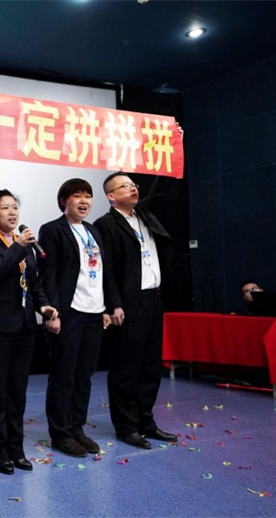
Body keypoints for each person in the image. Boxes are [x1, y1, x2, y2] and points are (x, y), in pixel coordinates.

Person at [0, 190, 57, 475]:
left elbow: (33, 283)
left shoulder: (25, 245)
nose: (12, 212)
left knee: (17, 393)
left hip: (23, 327)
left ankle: (16, 450)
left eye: (15, 207)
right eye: (5, 208)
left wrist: (43, 306)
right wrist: (18, 247)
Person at [37, 179, 123, 458]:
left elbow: (105, 273)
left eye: (88, 196)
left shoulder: (93, 231)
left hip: (94, 313)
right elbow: (48, 274)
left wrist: (110, 306)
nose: (84, 201)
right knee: (64, 375)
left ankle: (76, 427)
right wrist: (52, 311)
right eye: (77, 196)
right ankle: (60, 433)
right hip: (68, 313)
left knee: (84, 375)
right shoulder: (52, 230)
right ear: (64, 201)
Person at [93, 172, 176, 450]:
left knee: (150, 366)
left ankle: (146, 421)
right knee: (126, 367)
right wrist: (113, 304)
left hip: (154, 298)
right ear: (111, 196)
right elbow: (107, 268)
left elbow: (161, 188)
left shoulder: (144, 215)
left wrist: (168, 158)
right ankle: (127, 426)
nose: (132, 189)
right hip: (128, 303)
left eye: (133, 184)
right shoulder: (106, 224)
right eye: (124, 186)